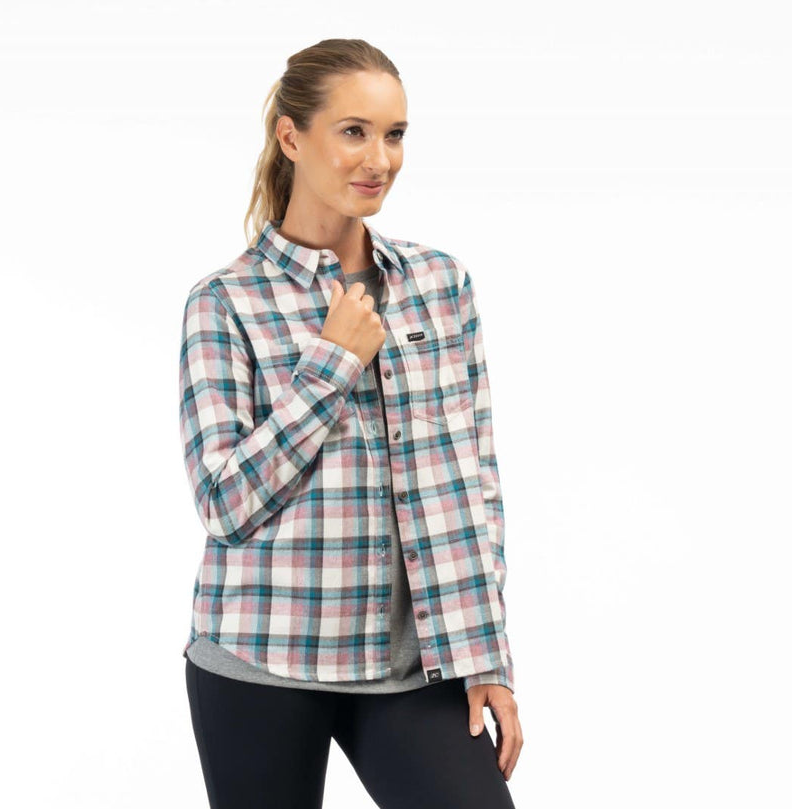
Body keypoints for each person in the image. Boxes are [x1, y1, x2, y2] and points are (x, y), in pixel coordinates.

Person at [177, 38, 522, 808]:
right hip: (260, 659)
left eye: (394, 134)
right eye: (354, 131)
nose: (380, 158)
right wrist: (333, 359)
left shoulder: (440, 283)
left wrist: (487, 654)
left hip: (413, 668)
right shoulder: (224, 302)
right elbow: (224, 502)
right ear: (292, 137)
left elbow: (476, 484)